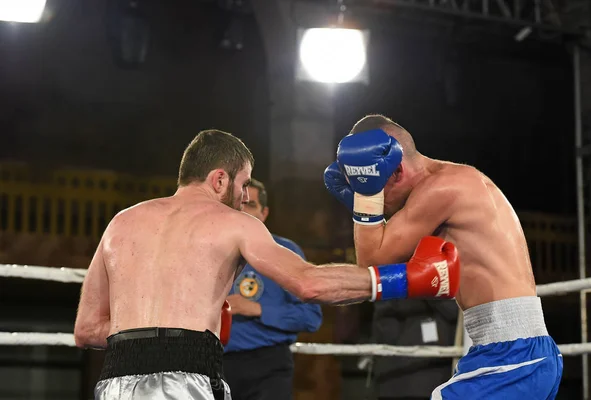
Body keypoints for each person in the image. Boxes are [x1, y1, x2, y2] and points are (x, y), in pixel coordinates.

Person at [73, 129, 460, 400]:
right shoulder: (235, 223)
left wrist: (154, 327)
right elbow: (308, 285)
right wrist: (405, 279)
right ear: (219, 179)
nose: (244, 197)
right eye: (244, 185)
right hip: (186, 379)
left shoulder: (121, 222)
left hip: (116, 382)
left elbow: (87, 330)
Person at [323, 114, 563, 399]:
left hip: (512, 355)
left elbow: (371, 264)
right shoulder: (452, 182)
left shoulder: (441, 189)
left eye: (377, 190)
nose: (381, 205)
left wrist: (364, 200)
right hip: (513, 353)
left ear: (396, 171)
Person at [223, 178, 322, 400]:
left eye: (250, 204)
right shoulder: (208, 252)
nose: (242, 210)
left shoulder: (285, 251)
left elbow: (311, 318)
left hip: (268, 368)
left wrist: (257, 309)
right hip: (213, 367)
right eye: (237, 203)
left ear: (264, 213)